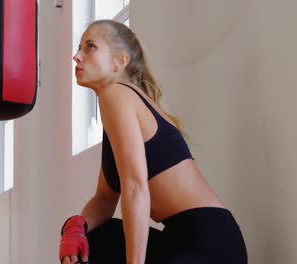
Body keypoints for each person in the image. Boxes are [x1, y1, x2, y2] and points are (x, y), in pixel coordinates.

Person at [59, 19, 247, 264]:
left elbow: (136, 187)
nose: (77, 56)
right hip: (181, 240)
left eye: (90, 46)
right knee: (91, 235)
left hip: (210, 246)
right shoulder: (121, 105)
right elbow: (105, 198)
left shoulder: (116, 94)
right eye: (79, 48)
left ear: (120, 61)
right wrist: (76, 227)